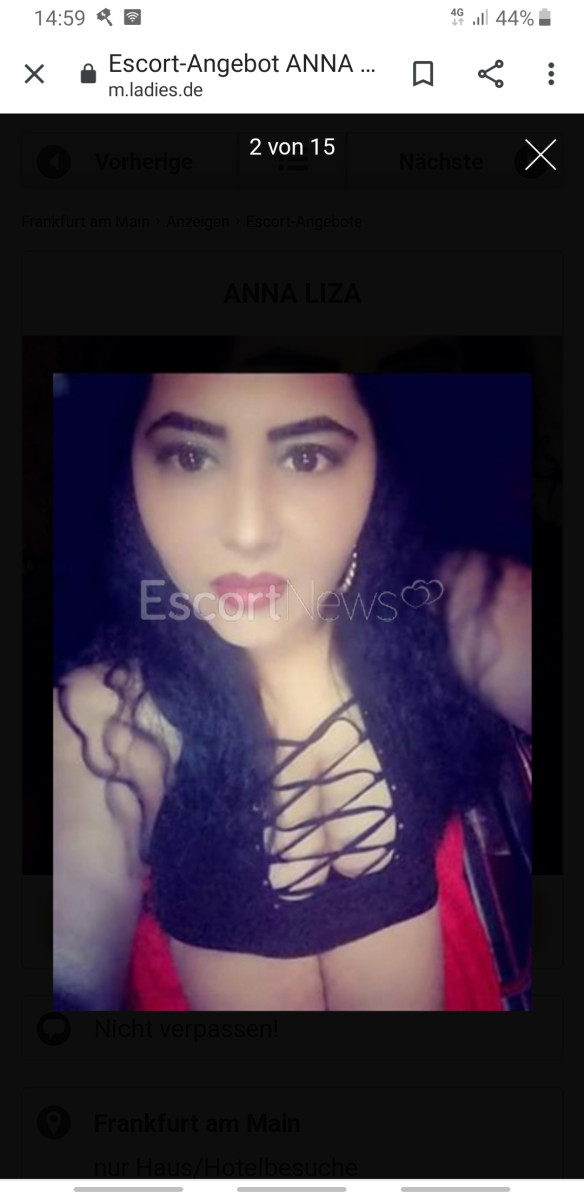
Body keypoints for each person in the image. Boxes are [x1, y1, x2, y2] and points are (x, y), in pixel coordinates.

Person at [53, 372, 531, 1011]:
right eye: (191, 457)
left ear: (380, 462)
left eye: (306, 457)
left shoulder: (444, 608)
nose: (248, 531)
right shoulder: (109, 714)